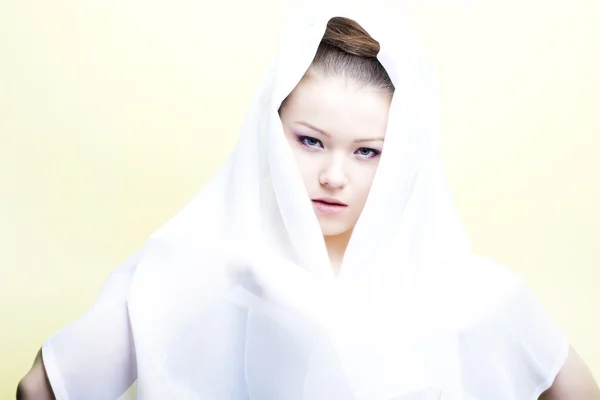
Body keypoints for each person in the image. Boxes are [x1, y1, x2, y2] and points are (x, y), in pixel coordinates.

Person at [17, 4, 599, 399]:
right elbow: (42, 389)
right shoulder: (197, 269)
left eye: (368, 152)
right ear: (268, 133)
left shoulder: (473, 293)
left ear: (405, 159)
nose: (333, 176)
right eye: (310, 141)